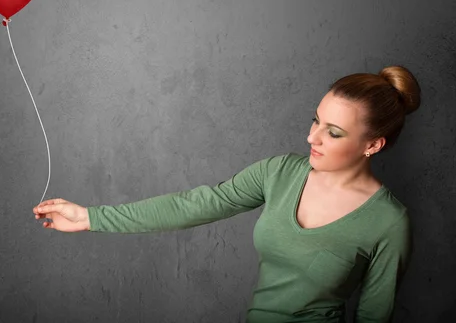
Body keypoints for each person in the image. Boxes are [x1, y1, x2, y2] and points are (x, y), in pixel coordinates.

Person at [33, 65, 421, 323]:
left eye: (333, 133)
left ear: (373, 145)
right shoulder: (280, 172)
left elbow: (374, 317)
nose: (312, 137)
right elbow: (197, 203)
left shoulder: (388, 222)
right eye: (315, 120)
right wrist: (91, 218)